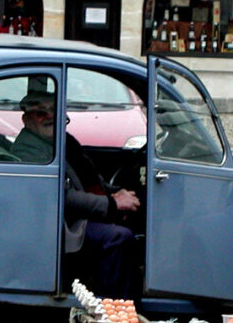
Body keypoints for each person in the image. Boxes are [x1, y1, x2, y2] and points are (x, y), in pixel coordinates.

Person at [13, 91, 141, 297]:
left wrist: (119, 193)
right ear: (26, 119)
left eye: (54, 111)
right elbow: (61, 197)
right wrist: (112, 203)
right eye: (40, 113)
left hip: (78, 214)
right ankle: (117, 310)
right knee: (119, 238)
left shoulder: (63, 141)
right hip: (60, 224)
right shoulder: (29, 150)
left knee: (138, 215)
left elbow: (92, 180)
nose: (49, 117)